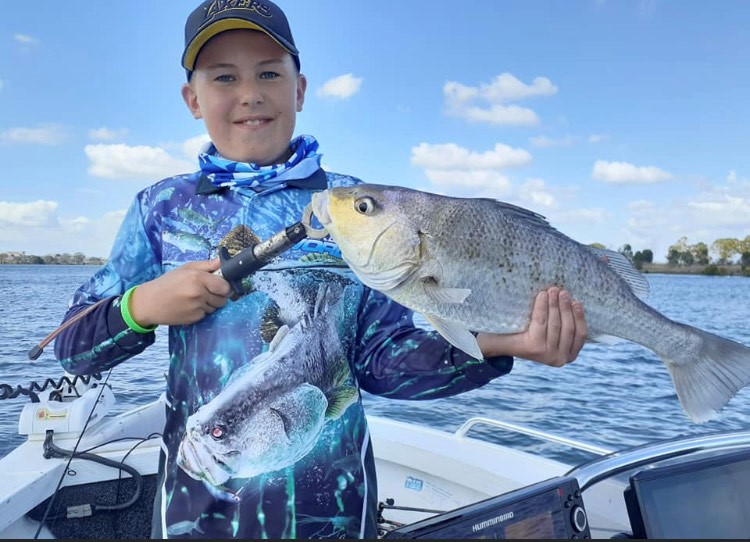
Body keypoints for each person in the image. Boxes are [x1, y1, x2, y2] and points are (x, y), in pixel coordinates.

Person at [54, 1, 587, 538]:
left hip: (338, 517)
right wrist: (141, 307)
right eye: (224, 77)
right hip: (196, 518)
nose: (250, 93)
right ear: (193, 99)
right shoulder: (162, 208)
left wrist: (498, 344)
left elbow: (382, 363)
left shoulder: (361, 210)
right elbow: (71, 346)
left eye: (268, 72)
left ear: (299, 89)